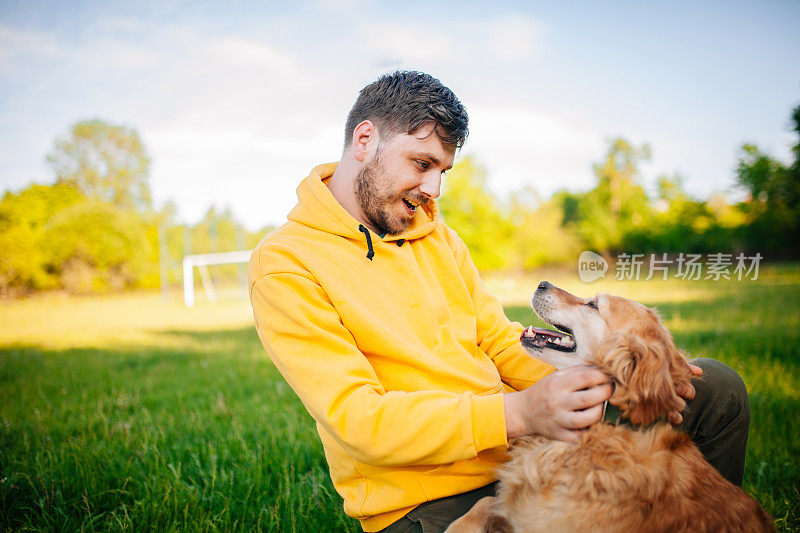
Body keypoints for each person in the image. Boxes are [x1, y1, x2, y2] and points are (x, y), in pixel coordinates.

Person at [248, 71, 750, 532]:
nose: (432, 188)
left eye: (442, 170)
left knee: (719, 391)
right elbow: (361, 421)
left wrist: (630, 376)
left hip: (526, 444)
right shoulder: (287, 263)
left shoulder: (435, 234)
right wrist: (522, 414)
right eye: (422, 164)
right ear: (365, 140)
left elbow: (498, 339)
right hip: (431, 500)